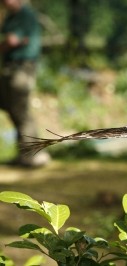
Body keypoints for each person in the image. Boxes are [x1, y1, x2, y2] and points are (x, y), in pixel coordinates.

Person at [0, 0, 50, 167]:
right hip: (10, 68)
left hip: (22, 68)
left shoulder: (25, 15)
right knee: (12, 109)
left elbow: (12, 40)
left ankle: (33, 156)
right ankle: (25, 155)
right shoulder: (11, 16)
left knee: (21, 111)